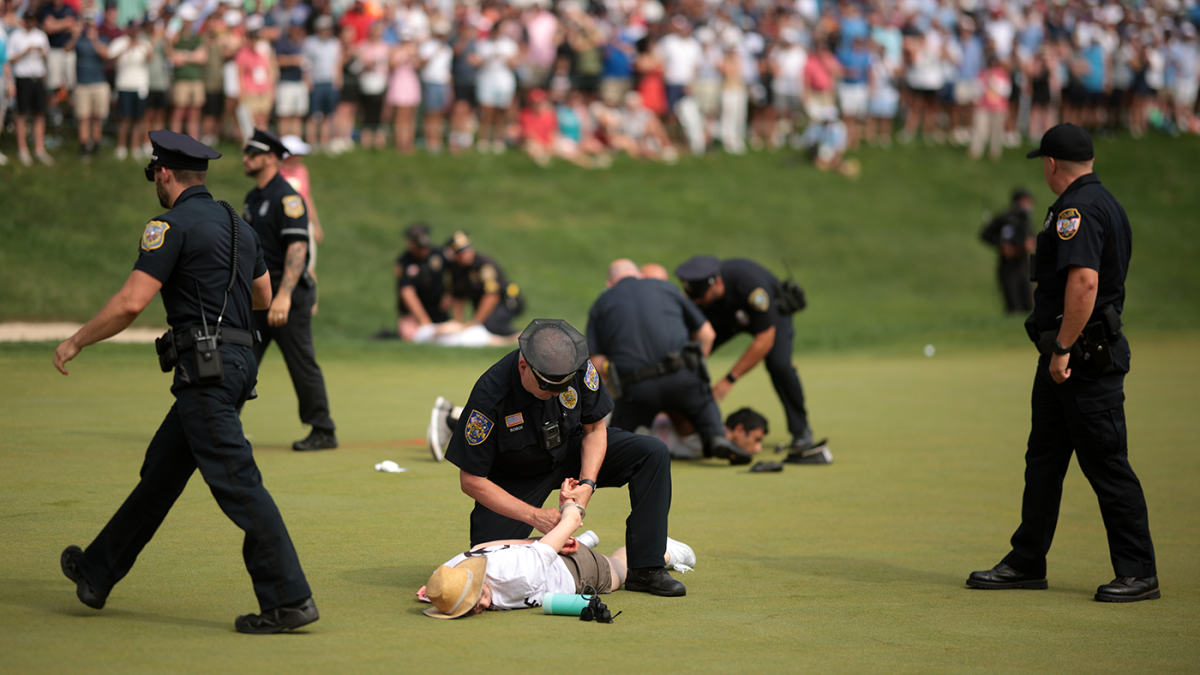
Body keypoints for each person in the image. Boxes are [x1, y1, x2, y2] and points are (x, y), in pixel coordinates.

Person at [53, 130, 318, 634]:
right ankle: (97, 570)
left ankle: (289, 599)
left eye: (154, 173)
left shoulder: (167, 225)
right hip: (238, 365)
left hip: (206, 370)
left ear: (165, 173)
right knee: (161, 472)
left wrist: (77, 341)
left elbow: (132, 302)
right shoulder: (239, 225)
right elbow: (262, 296)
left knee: (240, 486)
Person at [967, 124, 1158, 603]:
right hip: (1070, 355)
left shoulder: (1077, 210)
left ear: (1051, 164)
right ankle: (1027, 560)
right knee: (1044, 461)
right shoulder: (1104, 202)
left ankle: (1138, 572)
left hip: (1081, 359)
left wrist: (1063, 349)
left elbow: (1085, 285)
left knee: (1107, 464)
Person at [444, 319, 687, 597]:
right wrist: (535, 516)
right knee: (489, 560)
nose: (555, 394)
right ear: (524, 366)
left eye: (562, 387)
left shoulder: (578, 365)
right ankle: (562, 544)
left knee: (652, 452)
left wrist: (588, 483)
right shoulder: (489, 397)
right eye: (547, 387)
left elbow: (595, 427)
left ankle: (646, 567)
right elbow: (471, 480)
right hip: (516, 475)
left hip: (569, 450)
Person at [419, 483, 696, 618]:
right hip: (543, 554)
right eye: (467, 609)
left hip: (577, 573)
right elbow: (483, 547)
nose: (479, 607)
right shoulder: (455, 569)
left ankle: (667, 551)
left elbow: (573, 519)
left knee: (620, 569)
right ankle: (574, 544)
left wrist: (568, 506)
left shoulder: (519, 577)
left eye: (474, 601)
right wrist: (437, 591)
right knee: (548, 549)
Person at [587, 259, 750, 465]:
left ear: (609, 284)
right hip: (681, 378)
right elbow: (707, 334)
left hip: (637, 388)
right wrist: (693, 367)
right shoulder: (665, 288)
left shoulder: (601, 303)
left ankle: (616, 447)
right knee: (703, 404)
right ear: (639, 275)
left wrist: (617, 390)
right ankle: (715, 436)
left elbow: (598, 363)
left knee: (618, 433)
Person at [674, 255, 830, 464]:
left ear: (717, 283)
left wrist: (730, 379)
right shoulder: (699, 293)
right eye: (695, 299)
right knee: (687, 357)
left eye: (701, 297)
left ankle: (801, 430)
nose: (698, 302)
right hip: (724, 316)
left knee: (779, 365)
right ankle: (681, 423)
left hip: (770, 316)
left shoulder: (751, 288)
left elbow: (764, 339)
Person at [242, 129, 338, 452]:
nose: (246, 159)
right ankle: (223, 423)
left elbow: (298, 247)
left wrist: (283, 295)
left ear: (271, 158)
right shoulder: (254, 197)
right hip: (259, 298)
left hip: (288, 296)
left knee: (300, 361)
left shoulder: (288, 198)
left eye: (252, 154)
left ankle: (323, 430)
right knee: (241, 358)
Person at [445, 230, 523, 337]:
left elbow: (492, 294)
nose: (465, 255)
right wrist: (457, 325)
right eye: (460, 253)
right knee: (485, 327)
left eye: (467, 250)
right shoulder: (457, 270)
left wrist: (475, 322)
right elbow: (458, 298)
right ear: (455, 255)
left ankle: (519, 337)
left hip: (507, 301)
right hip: (487, 305)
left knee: (491, 325)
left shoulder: (482, 264)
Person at [980, 187, 1036, 314]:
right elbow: (985, 235)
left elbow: (1030, 240)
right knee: (1013, 303)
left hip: (1023, 265)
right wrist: (1001, 244)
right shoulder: (1005, 218)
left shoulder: (1027, 220)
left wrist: (1030, 243)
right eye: (1025, 201)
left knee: (1028, 303)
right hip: (1008, 266)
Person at [7, 10, 52, 166]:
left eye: (34, 19)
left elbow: (47, 57)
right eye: (29, 19)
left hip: (38, 78)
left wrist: (42, 53)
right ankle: (23, 149)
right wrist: (26, 51)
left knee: (40, 114)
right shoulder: (15, 36)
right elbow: (10, 58)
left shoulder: (41, 35)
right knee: (21, 115)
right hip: (23, 79)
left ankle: (39, 149)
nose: (31, 22)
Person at [394, 222, 449, 339]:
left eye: (426, 247)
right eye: (420, 248)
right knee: (409, 334)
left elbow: (456, 273)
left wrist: (450, 294)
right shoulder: (404, 262)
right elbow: (407, 292)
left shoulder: (439, 255)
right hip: (414, 312)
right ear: (411, 245)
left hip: (438, 309)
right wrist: (423, 320)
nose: (424, 251)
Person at [64, 15, 108, 162]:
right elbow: (66, 49)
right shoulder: (79, 40)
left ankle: (95, 145)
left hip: (99, 83)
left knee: (97, 117)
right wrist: (75, 36)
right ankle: (84, 146)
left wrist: (94, 40)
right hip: (82, 84)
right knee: (83, 117)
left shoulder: (102, 38)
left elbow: (105, 54)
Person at [168, 4, 207, 139]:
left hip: (196, 79)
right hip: (182, 79)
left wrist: (183, 55)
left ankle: (193, 140)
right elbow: (173, 57)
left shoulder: (196, 37)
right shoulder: (175, 37)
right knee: (179, 111)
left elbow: (202, 57)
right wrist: (192, 56)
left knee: (195, 112)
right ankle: (174, 141)